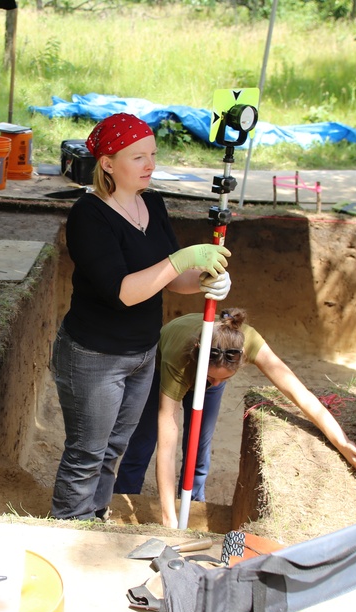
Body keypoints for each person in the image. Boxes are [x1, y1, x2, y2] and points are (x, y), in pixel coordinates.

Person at [50, 113, 232, 521]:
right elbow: (125, 292)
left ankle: (94, 517)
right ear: (108, 163)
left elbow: (171, 280)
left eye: (152, 154)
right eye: (138, 157)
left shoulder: (151, 202)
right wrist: (180, 258)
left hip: (143, 352)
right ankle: (67, 528)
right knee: (86, 453)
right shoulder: (88, 216)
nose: (150, 165)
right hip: (94, 357)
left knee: (115, 448)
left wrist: (205, 278)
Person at [115, 308, 356, 528]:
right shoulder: (180, 359)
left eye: (223, 378)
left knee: (198, 449)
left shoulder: (248, 342)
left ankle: (194, 505)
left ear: (239, 361)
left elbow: (300, 393)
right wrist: (168, 520)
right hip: (164, 364)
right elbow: (168, 434)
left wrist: (342, 442)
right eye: (211, 377)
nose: (214, 383)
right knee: (144, 441)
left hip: (205, 363)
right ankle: (123, 499)